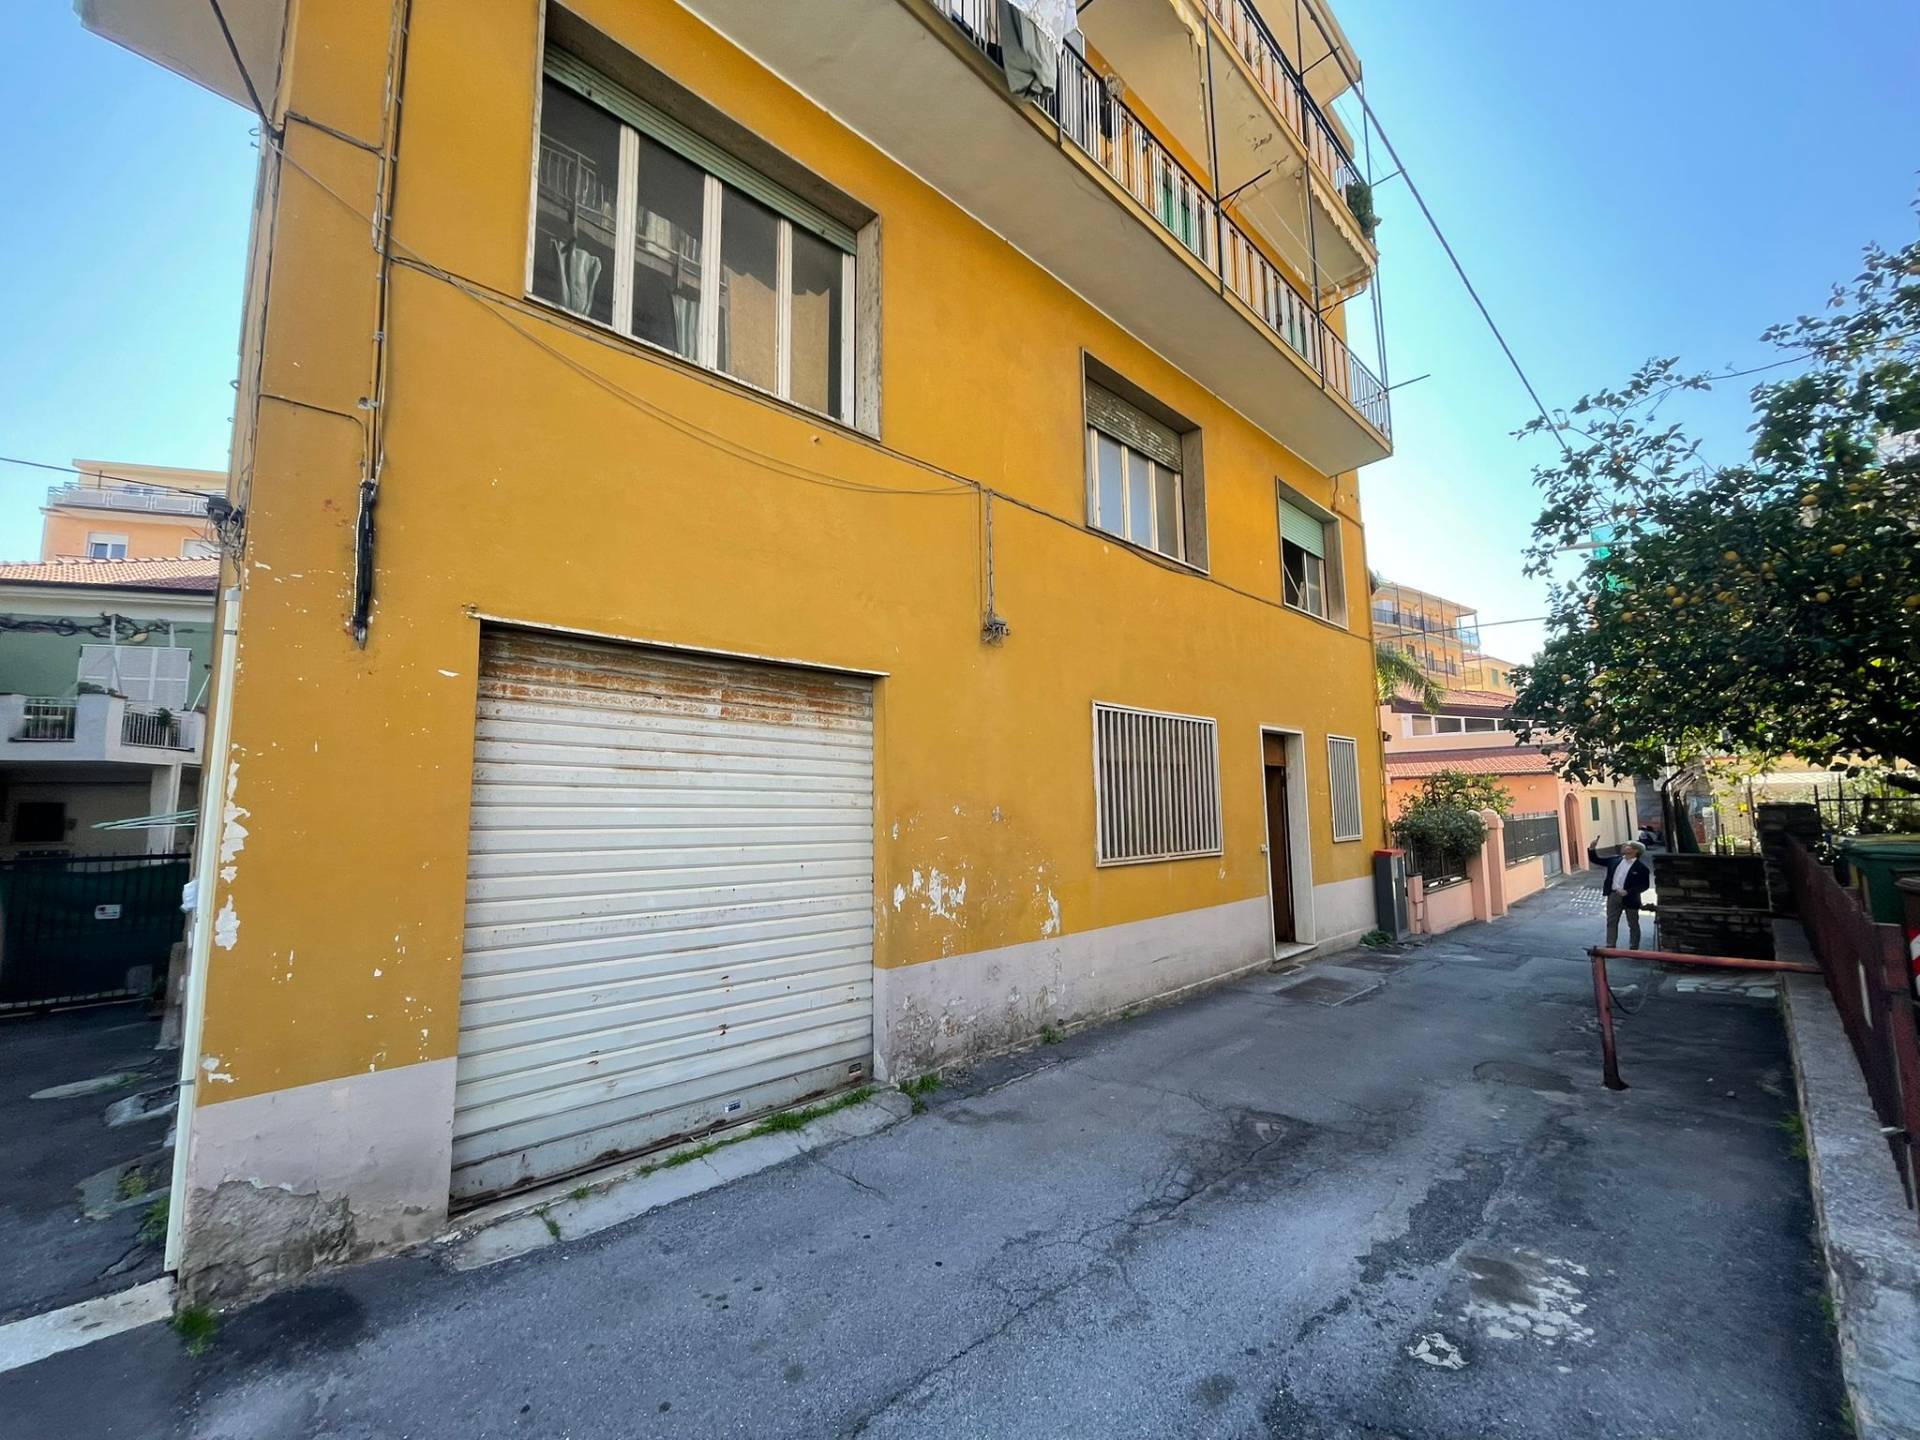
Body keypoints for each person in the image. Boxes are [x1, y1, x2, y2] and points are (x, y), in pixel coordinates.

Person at [1589, 838, 1651, 949]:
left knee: (1633, 923)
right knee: (1611, 922)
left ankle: (1633, 947)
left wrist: (1628, 891)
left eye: (1627, 845)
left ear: (1635, 850)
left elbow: (1644, 885)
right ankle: (1610, 946)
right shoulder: (1614, 860)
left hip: (1631, 898)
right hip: (1613, 895)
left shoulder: (1641, 868)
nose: (1623, 846)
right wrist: (1592, 848)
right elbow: (1596, 860)